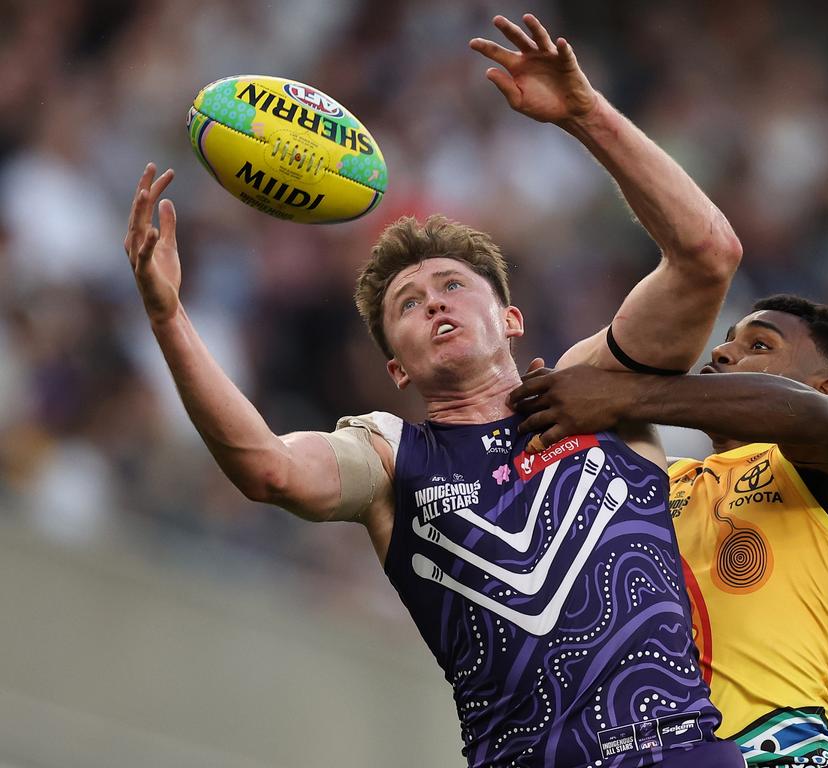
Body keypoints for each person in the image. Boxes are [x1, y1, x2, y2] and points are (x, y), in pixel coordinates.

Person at [123, 13, 746, 768]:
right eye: (408, 306)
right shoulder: (391, 457)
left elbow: (707, 254)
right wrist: (169, 318)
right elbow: (268, 467)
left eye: (452, 285)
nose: (435, 304)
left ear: (511, 318)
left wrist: (587, 116)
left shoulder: (599, 390)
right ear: (398, 368)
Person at [508, 295, 828, 767]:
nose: (722, 352)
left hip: (775, 751)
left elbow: (815, 418)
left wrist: (622, 394)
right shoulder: (660, 481)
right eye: (728, 340)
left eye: (760, 345)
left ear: (825, 388)